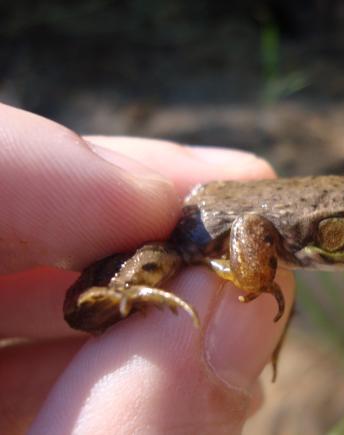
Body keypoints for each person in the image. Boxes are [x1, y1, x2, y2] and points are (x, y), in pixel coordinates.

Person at [0, 102, 294, 434]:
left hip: (191, 231)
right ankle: (113, 295)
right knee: (157, 263)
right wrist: (254, 278)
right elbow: (249, 226)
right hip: (176, 243)